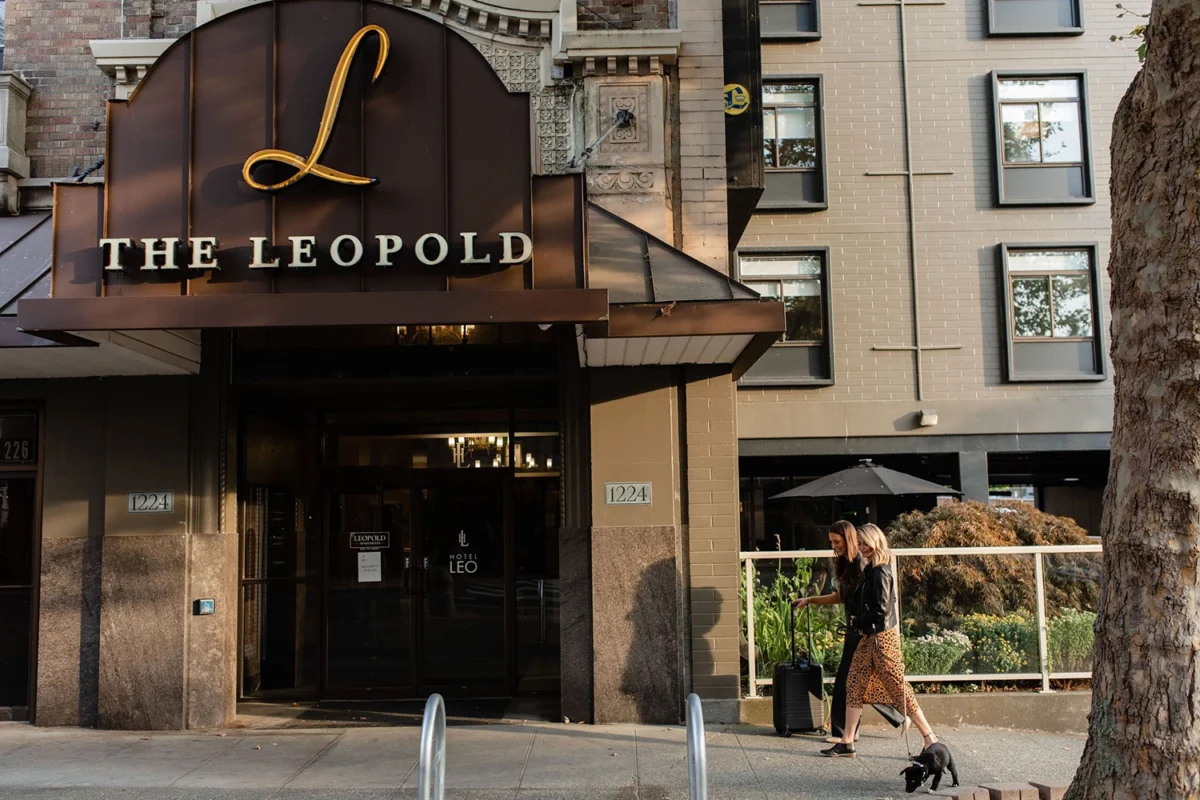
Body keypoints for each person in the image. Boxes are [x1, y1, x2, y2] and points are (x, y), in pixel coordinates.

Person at [823, 523, 938, 758]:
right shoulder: (871, 569)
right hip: (869, 636)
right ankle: (847, 741)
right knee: (854, 684)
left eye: (866, 543)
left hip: (881, 638)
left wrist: (858, 621)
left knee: (898, 687)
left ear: (876, 543)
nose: (862, 548)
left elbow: (881, 609)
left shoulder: (881, 571)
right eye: (861, 543)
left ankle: (930, 738)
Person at [793, 521, 904, 744]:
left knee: (851, 679)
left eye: (837, 541)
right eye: (832, 542)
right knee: (862, 679)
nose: (834, 546)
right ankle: (897, 719)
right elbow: (841, 596)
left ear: (848, 539)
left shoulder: (862, 563)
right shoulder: (847, 562)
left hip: (866, 630)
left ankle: (846, 733)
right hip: (858, 628)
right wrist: (811, 600)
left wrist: (863, 623)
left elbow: (879, 603)